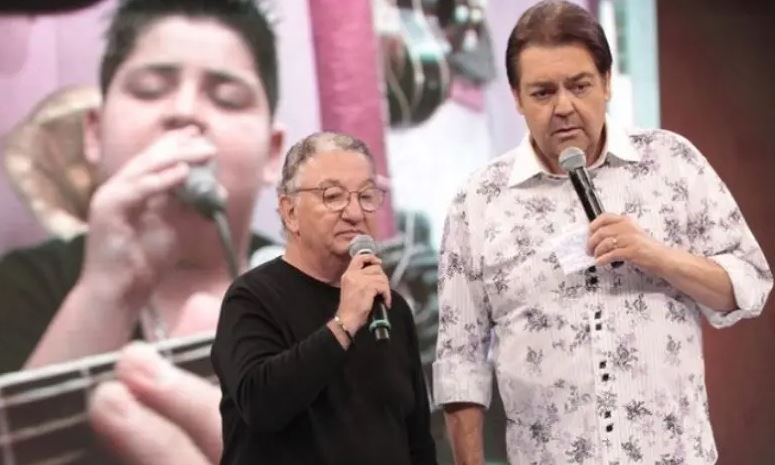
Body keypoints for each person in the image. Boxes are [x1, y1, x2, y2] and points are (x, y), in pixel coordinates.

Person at [432, 1, 773, 465]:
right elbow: (460, 361)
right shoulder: (479, 202)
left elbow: (748, 284)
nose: (564, 107)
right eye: (542, 92)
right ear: (516, 98)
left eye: (579, 85)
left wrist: (657, 255)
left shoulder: (671, 163)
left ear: (607, 82)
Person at [0, 0, 283, 463]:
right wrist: (106, 294)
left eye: (227, 98)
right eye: (150, 90)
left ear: (274, 153)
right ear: (93, 133)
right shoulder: (22, 285)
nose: (185, 112)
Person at [211, 131, 438, 465]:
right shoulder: (251, 298)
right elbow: (261, 405)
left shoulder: (390, 307)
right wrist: (344, 323)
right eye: (333, 196)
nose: (354, 212)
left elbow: (416, 436)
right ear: (289, 212)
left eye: (366, 196)